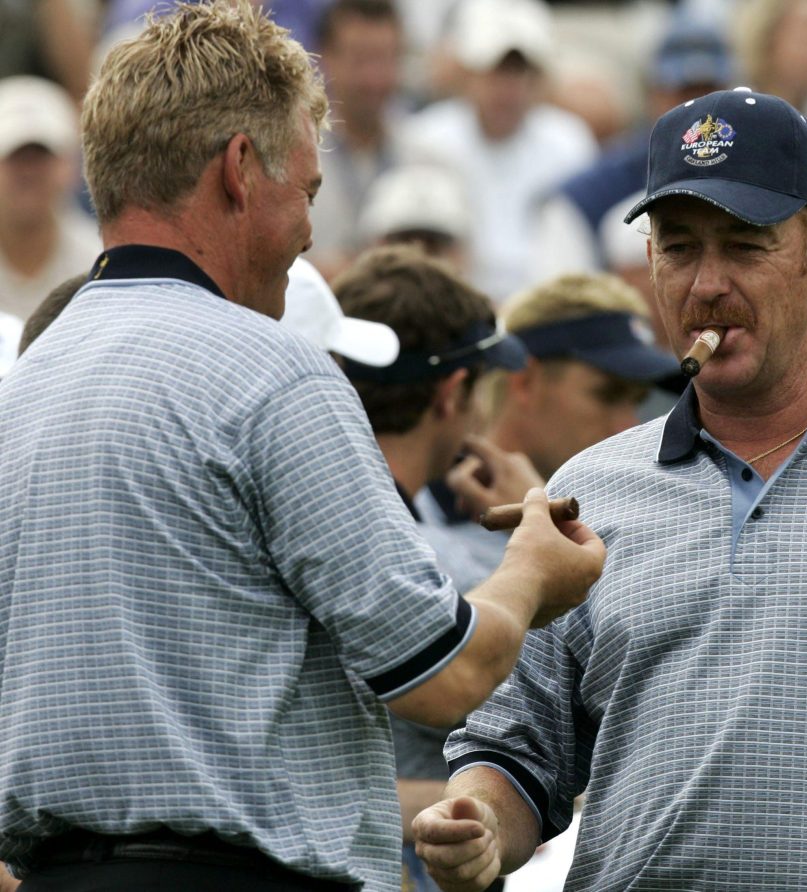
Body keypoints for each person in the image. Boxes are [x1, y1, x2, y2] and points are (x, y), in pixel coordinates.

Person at [0, 4, 606, 891]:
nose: (311, 232)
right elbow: (440, 676)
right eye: (310, 191)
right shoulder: (272, 369)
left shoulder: (29, 383)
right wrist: (531, 571)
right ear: (242, 170)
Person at [412, 87, 807, 891]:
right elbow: (516, 750)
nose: (705, 284)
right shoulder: (588, 491)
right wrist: (479, 821)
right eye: (677, 247)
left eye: (744, 246)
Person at [332, 244, 530, 892]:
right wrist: (531, 534)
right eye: (481, 388)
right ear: (451, 394)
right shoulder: (424, 554)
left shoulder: (315, 510)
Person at [415, 271, 681, 590]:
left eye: (637, 401)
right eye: (607, 395)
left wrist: (541, 525)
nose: (628, 425)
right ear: (525, 381)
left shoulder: (643, 513)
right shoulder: (413, 518)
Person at [397, 0, 597, 302]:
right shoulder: (427, 140)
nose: (508, 88)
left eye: (519, 72)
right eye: (495, 71)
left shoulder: (568, 141)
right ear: (468, 73)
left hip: (548, 308)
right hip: (456, 305)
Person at [532, 12, 733, 279]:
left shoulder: (756, 173)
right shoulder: (588, 196)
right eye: (684, 92)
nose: (698, 108)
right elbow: (564, 298)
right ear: (653, 94)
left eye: (709, 91)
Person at [305, 0, 408, 279]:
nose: (373, 79)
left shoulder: (428, 161)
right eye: (360, 60)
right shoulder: (292, 160)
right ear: (325, 58)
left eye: (385, 59)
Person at [0, 75, 101, 322]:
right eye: (15, 158)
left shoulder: (97, 262)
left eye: (41, 156)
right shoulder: (100, 261)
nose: (27, 172)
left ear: (69, 166)